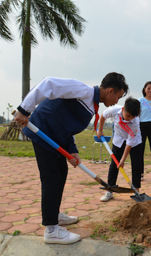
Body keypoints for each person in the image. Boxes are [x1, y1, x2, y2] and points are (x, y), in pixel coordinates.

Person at [14, 73, 129, 245]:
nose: (115, 102)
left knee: (61, 174)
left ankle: (55, 215)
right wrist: (24, 110)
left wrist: (73, 150)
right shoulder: (83, 91)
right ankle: (51, 230)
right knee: (52, 179)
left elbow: (67, 126)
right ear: (111, 91)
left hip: (55, 138)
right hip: (43, 132)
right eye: (118, 97)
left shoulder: (92, 105)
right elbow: (49, 83)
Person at [97, 97, 142, 202]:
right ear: (123, 110)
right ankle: (110, 190)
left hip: (135, 142)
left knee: (136, 165)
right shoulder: (114, 110)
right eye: (127, 116)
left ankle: (136, 191)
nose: (128, 119)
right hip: (119, 139)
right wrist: (100, 130)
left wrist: (123, 160)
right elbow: (103, 116)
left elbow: (130, 142)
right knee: (114, 165)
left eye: (131, 117)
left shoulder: (135, 121)